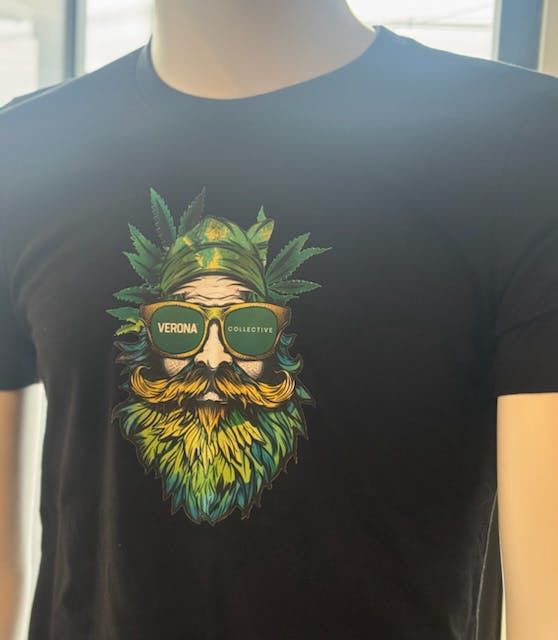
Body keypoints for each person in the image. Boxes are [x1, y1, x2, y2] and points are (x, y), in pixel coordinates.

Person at [1, 1, 557, 638]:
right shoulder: (19, 152)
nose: (213, 357)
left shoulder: (524, 141)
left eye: (249, 328)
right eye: (179, 326)